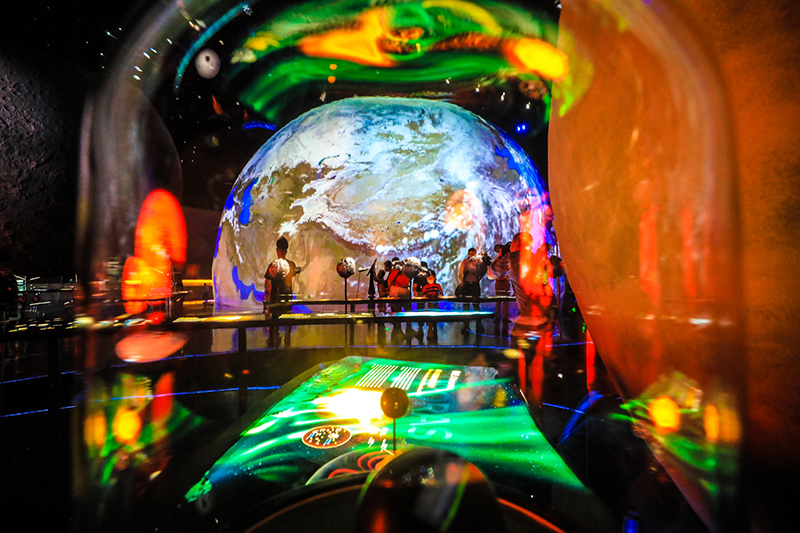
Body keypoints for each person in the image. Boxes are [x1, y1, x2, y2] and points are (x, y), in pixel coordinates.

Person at [488, 233, 555, 409]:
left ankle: (517, 391)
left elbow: (490, 274)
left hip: (529, 318)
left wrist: (501, 256)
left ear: (516, 244)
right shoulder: (536, 259)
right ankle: (536, 397)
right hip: (545, 316)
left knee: (516, 351)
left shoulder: (512, 257)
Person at [456, 248, 490, 333]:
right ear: (468, 254)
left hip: (474, 285)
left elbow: (482, 272)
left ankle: (478, 324)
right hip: (467, 284)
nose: (471, 255)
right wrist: (463, 283)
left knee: (476, 305)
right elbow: (461, 274)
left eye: (473, 254)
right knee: (466, 306)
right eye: (470, 254)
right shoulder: (465, 262)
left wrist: (476, 280)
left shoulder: (478, 262)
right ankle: (466, 325)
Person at [492, 243, 511, 335]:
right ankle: (497, 317)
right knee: (499, 300)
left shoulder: (507, 260)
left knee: (506, 301)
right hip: (499, 282)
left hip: (506, 281)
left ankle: (505, 317)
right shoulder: (498, 260)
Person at [421, 270, 443, 343]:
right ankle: (430, 331)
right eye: (428, 278)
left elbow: (441, 293)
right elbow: (423, 294)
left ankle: (434, 331)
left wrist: (439, 296)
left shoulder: (438, 286)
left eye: (431, 278)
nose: (430, 279)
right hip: (428, 305)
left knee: (435, 318)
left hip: (435, 304)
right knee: (429, 319)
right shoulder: (425, 287)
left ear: (435, 278)